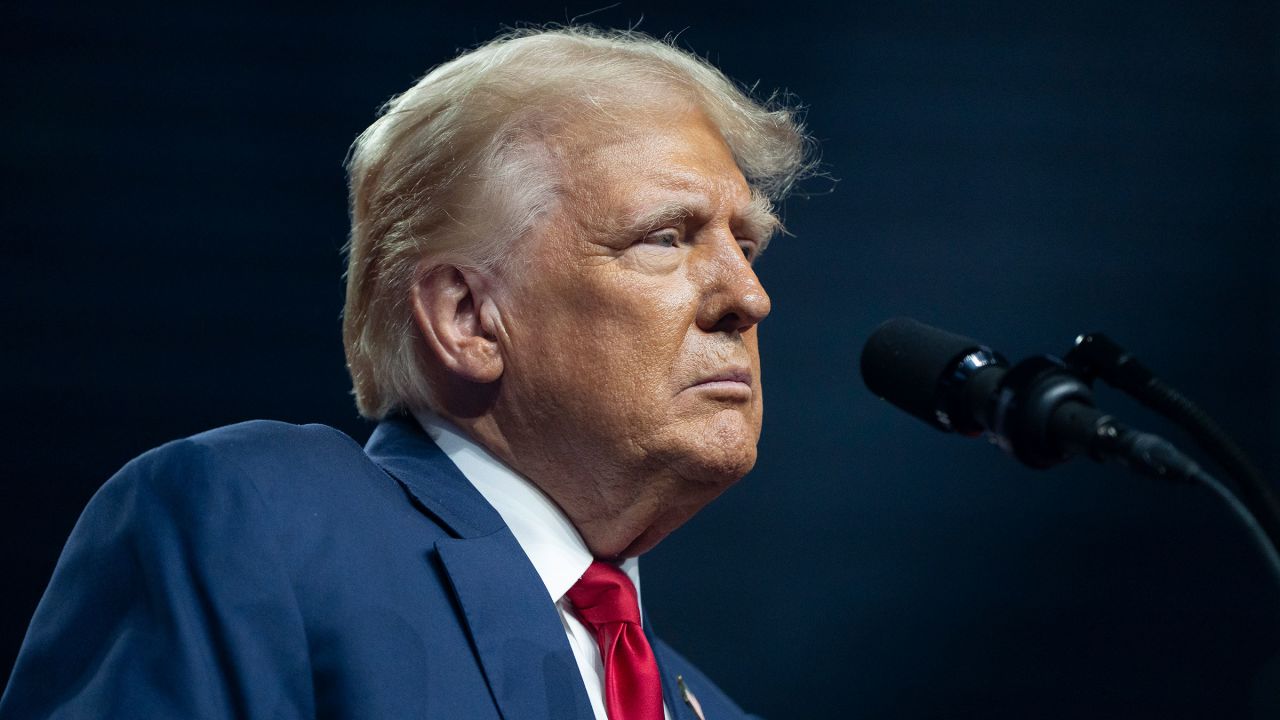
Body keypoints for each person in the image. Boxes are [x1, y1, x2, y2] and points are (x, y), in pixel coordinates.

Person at [0, 26, 812, 719]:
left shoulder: (708, 706)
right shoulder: (259, 525)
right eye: (666, 236)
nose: (749, 296)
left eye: (745, 245)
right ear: (467, 319)